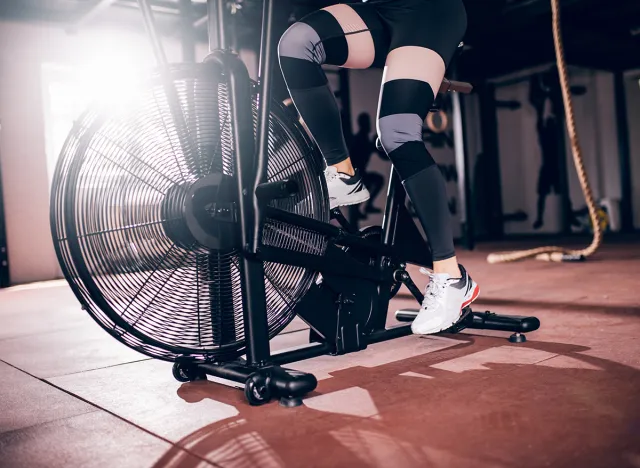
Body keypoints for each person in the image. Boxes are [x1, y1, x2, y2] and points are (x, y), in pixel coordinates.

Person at [277, 0, 479, 335]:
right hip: (379, 10)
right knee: (297, 43)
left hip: (428, 12)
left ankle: (451, 278)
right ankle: (343, 173)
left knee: (397, 132)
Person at [348, 113, 384, 216]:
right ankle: (362, 207)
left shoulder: (364, 139)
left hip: (359, 175)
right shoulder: (360, 140)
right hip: (356, 176)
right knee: (376, 181)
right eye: (367, 123)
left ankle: (364, 207)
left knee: (375, 181)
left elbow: (377, 151)